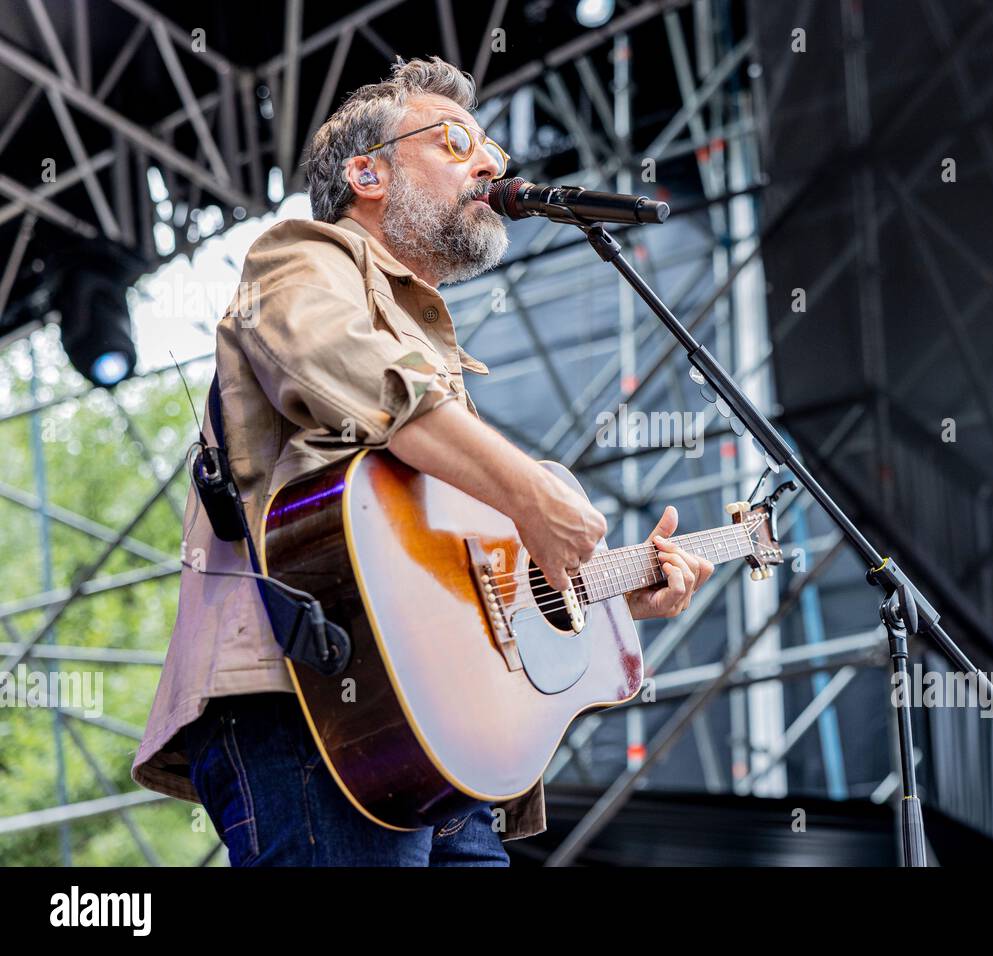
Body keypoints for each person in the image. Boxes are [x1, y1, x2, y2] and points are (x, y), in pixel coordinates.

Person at [131, 56, 713, 867]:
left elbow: (455, 585)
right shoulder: (298, 256)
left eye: (495, 157)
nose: (490, 165)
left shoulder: (438, 354)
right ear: (367, 173)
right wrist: (531, 495)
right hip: (315, 707)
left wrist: (603, 593)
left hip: (438, 746)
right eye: (455, 143)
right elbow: (345, 365)